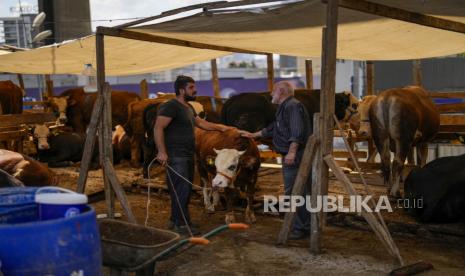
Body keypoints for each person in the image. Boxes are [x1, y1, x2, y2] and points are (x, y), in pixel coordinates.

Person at [154, 75, 232, 235]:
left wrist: (222, 128)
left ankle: (177, 221)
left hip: (188, 155)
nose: (195, 90)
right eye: (191, 87)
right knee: (180, 190)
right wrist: (162, 151)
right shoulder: (170, 106)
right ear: (181, 90)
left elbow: (201, 123)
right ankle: (181, 224)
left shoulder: (188, 107)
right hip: (176, 156)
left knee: (184, 189)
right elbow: (158, 128)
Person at [240, 81, 312, 240]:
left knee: (294, 192)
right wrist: (254, 135)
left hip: (295, 155)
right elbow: (274, 127)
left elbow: (297, 131)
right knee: (299, 192)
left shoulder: (292, 106)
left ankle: (300, 228)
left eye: (273, 91)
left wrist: (292, 152)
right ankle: (303, 226)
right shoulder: (285, 107)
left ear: (281, 91)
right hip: (292, 155)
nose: (271, 94)